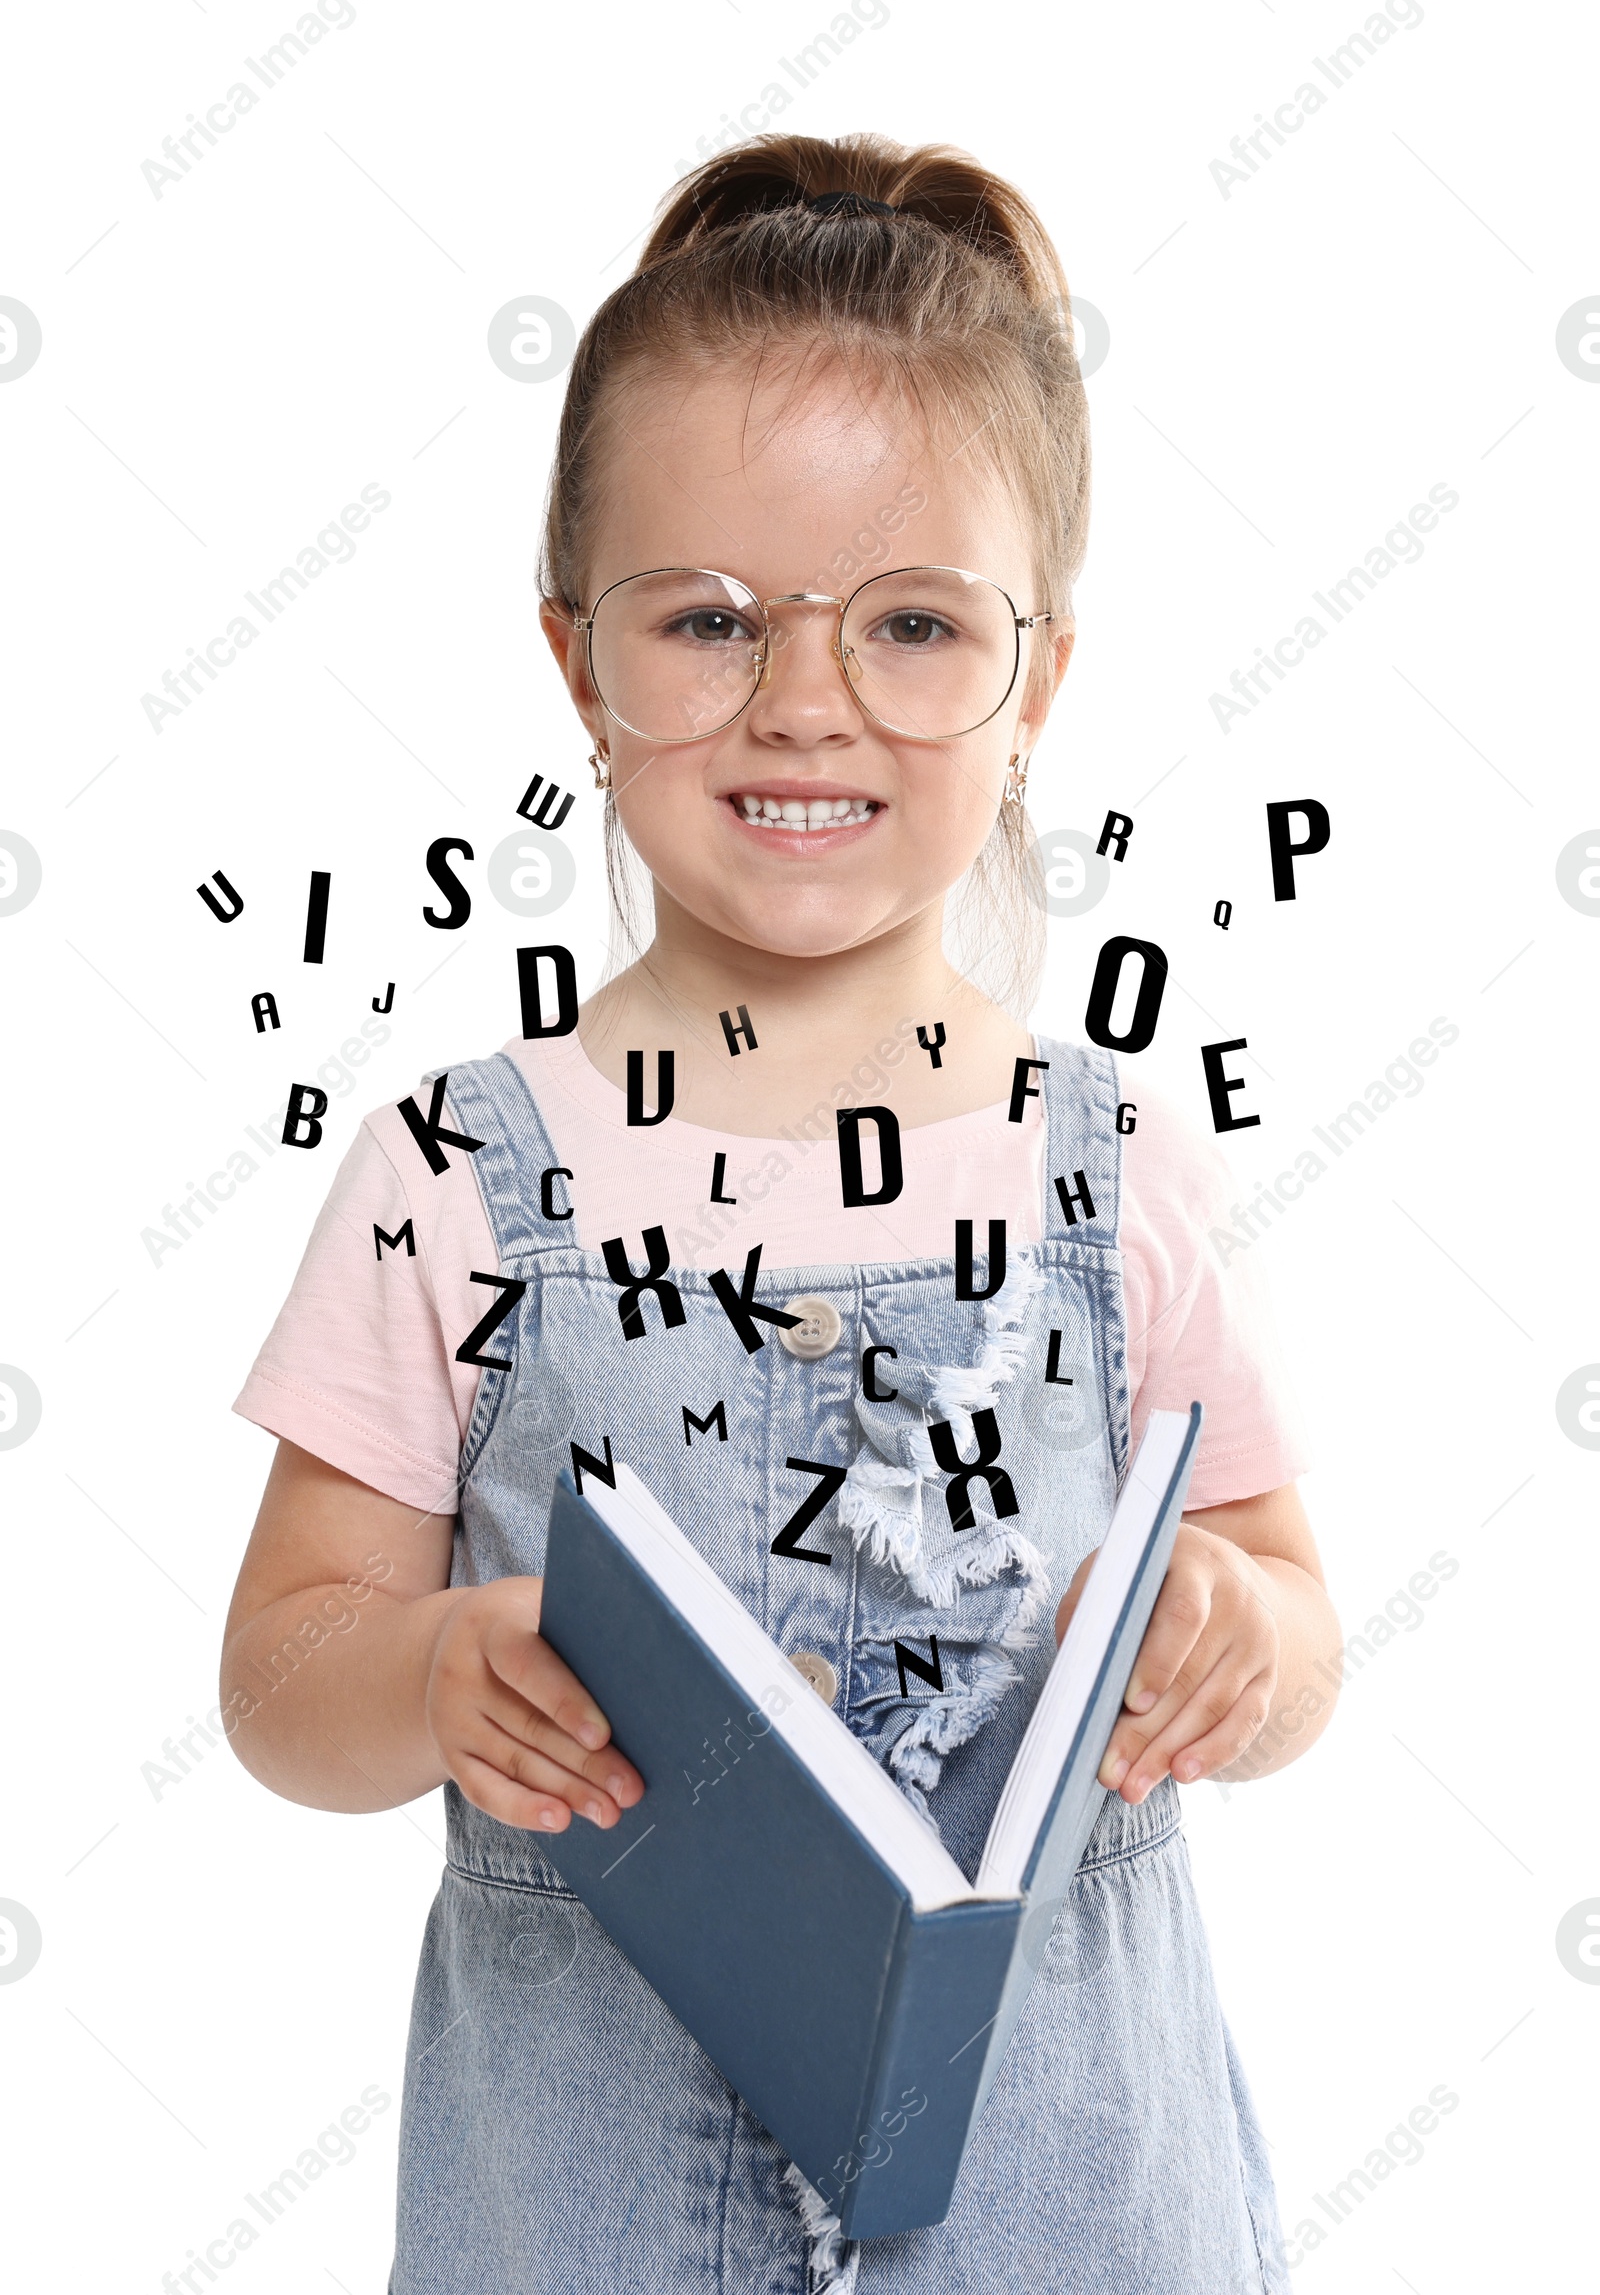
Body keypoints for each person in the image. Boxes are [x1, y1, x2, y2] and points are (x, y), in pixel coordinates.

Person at [221, 132, 1339, 2293]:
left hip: (1069, 2210)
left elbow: (1296, 1619)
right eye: (709, 618)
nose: (804, 695)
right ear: (578, 665)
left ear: (1036, 686)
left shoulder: (1097, 1158)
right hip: (590, 2211)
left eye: (911, 622)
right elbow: (283, 1674)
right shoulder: (457, 1170)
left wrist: (1234, 1636)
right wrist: (437, 1662)